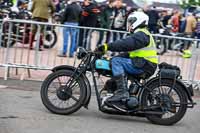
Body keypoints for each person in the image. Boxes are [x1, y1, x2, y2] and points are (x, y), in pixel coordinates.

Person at [95, 12, 158, 103]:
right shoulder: (141, 34)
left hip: (144, 65)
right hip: (142, 63)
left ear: (139, 21)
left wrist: (107, 47)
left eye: (132, 21)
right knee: (115, 60)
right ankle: (116, 92)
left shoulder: (141, 34)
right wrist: (111, 58)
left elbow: (124, 44)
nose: (129, 24)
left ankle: (122, 92)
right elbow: (129, 54)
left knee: (117, 62)